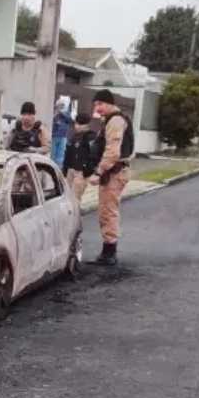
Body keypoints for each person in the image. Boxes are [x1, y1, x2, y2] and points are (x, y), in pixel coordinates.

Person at [87, 89, 135, 266]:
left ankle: (109, 253)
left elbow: (112, 152)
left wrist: (98, 172)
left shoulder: (115, 120)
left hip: (114, 172)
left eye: (99, 104)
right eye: (95, 105)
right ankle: (108, 251)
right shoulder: (112, 119)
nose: (97, 108)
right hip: (114, 171)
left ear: (108, 103)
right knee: (106, 211)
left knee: (108, 211)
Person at [63, 112, 99, 203]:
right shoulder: (74, 136)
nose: (77, 126)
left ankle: (76, 216)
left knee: (75, 198)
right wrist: (65, 169)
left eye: (80, 124)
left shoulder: (91, 137)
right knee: (66, 196)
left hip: (81, 172)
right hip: (70, 170)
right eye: (76, 123)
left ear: (86, 125)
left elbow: (94, 155)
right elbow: (68, 153)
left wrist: (87, 170)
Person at [51, 99, 73, 168]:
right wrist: (56, 114)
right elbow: (51, 120)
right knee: (52, 155)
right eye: (59, 105)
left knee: (60, 156)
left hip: (63, 136)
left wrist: (61, 113)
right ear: (56, 105)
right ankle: (51, 167)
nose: (61, 106)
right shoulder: (54, 112)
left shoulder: (66, 113)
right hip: (54, 136)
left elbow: (70, 121)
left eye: (62, 105)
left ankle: (58, 169)